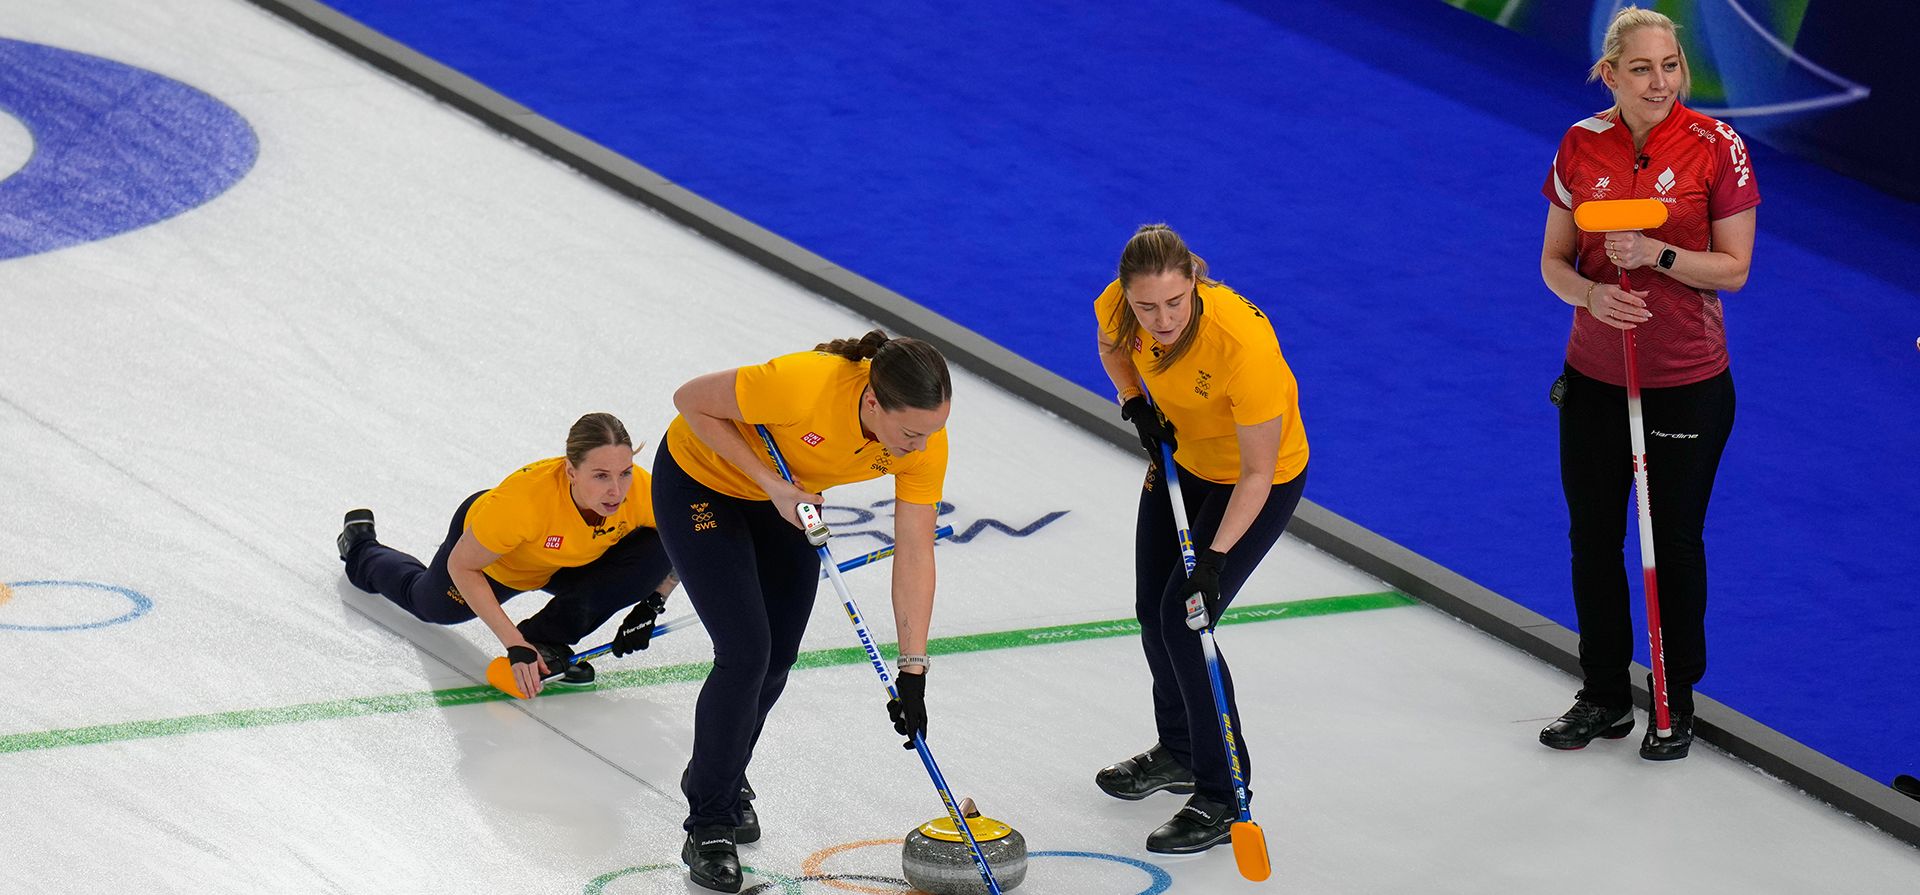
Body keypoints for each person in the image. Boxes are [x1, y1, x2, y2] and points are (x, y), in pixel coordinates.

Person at [1535, 6, 1757, 761]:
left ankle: (1675, 695)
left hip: (1685, 380)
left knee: (1672, 541)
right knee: (1592, 537)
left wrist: (1657, 254)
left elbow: (1734, 267)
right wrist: (1592, 296)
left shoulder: (1715, 146)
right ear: (1610, 73)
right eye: (1641, 68)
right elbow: (1555, 264)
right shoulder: (1580, 143)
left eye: (1670, 67)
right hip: (1596, 375)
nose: (1659, 81)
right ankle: (1602, 693)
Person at [656, 330, 953, 893]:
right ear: (871, 402)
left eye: (933, 431)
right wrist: (770, 482)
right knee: (745, 652)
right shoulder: (801, 385)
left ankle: (718, 769)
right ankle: (711, 822)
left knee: (778, 657)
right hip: (704, 483)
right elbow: (688, 399)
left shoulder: (924, 438)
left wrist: (913, 670)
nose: (920, 448)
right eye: (911, 432)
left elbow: (915, 550)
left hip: (789, 501)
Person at [1091, 224, 1309, 855]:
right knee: (1150, 613)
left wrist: (1213, 563)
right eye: (1146, 306)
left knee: (1186, 620)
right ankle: (1180, 751)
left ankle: (1222, 792)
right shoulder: (1119, 304)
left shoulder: (1243, 345)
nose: (1160, 319)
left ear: (1195, 283)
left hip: (1253, 482)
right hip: (1181, 461)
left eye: (1174, 303)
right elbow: (1113, 351)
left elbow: (1260, 473)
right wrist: (1135, 403)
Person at [337, 412, 677, 699]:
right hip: (497, 562)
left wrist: (651, 604)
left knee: (667, 537)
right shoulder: (522, 504)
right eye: (601, 476)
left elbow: (685, 545)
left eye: (625, 472)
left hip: (569, 559)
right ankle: (361, 548)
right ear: (571, 471)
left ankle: (545, 639)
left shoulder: (640, 492)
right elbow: (462, 565)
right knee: (429, 605)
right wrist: (514, 644)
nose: (616, 490)